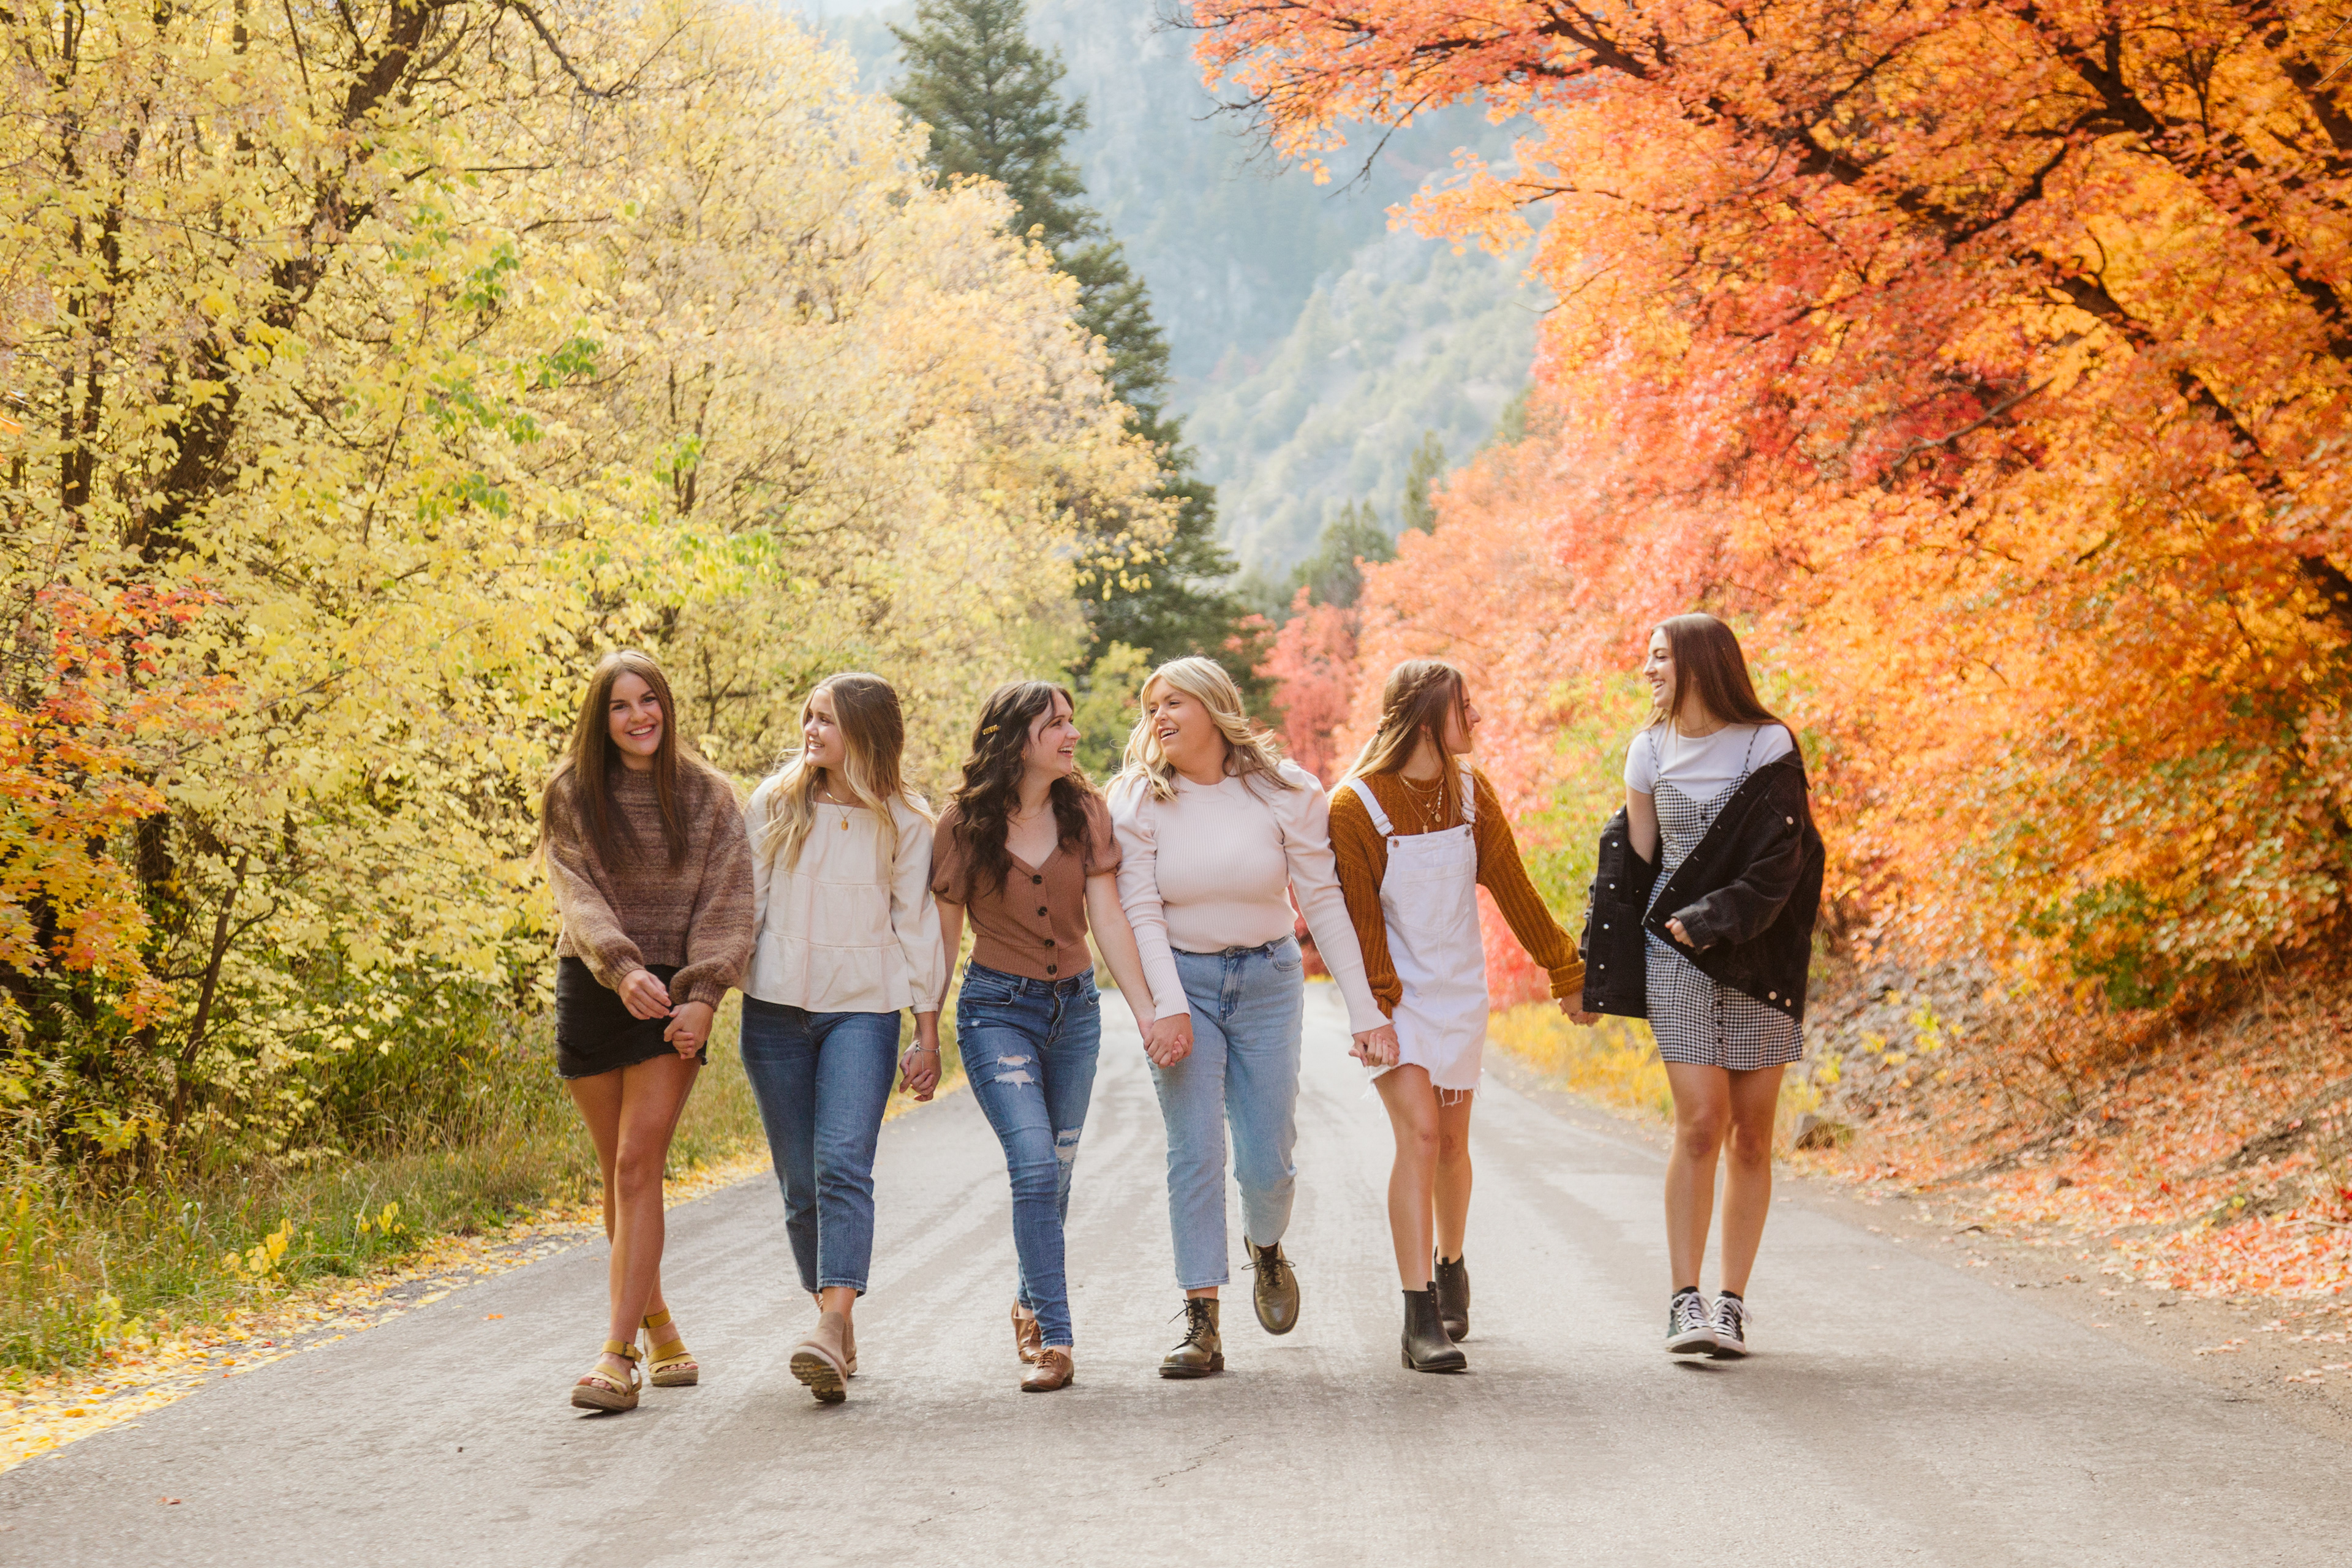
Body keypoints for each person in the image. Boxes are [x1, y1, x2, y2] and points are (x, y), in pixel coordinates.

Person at [1109, 655, 1400, 1379]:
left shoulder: (1285, 791)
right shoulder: (1139, 799)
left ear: (1214, 707)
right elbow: (1140, 909)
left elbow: (1322, 901)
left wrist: (1365, 1011)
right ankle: (1202, 1319)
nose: (1159, 717)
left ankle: (1266, 1246)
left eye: (1174, 702)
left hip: (1269, 980)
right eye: (1152, 707)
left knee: (1268, 1158)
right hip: (1185, 980)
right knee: (1195, 1151)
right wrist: (1167, 1006)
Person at [1577, 614, 1824, 1359]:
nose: (1648, 669)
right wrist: (1592, 967)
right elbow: (1632, 870)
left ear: (1700, 661)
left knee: (1751, 1134)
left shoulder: (1768, 745)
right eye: (1647, 656)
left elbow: (1783, 865)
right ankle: (1684, 1301)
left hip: (1758, 957)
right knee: (1701, 1122)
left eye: (1660, 656)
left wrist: (1716, 917)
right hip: (1676, 956)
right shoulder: (1648, 749)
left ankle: (1732, 1304)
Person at [1329, 659, 1583, 1372]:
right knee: (1420, 1134)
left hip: (1459, 993)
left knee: (1450, 1144)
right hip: (1393, 1000)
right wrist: (1375, 1013)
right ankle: (1418, 1317)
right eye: (1463, 706)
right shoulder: (1354, 806)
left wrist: (1566, 969)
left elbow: (1515, 888)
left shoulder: (1472, 793)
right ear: (1424, 718)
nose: (1476, 717)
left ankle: (1451, 1262)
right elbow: (1356, 922)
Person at [930, 681, 1164, 1393]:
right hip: (996, 1011)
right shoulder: (962, 824)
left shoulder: (1083, 811)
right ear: (1014, 737)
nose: (1072, 734)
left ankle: (1028, 1302)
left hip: (1076, 1013)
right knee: (1034, 1165)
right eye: (1055, 723)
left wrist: (1148, 1012)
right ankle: (1055, 1341)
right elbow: (941, 940)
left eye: (1071, 720)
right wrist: (923, 1031)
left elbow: (1109, 919)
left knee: (1056, 1171)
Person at [540, 650, 754, 1413]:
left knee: (638, 1164)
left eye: (650, 699)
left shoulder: (709, 797)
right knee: (618, 1173)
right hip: (598, 984)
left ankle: (616, 1355)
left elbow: (730, 902)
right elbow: (577, 896)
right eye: (621, 705)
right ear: (600, 720)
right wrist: (621, 968)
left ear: (667, 705)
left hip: (675, 996)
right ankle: (659, 1324)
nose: (640, 716)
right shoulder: (571, 794)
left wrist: (704, 995)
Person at [739, 672, 945, 1403]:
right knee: (801, 1185)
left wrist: (927, 1029)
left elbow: (916, 924)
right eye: (809, 716)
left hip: (863, 1010)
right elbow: (745, 907)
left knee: (842, 1165)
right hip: (774, 1010)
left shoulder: (907, 821)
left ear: (865, 730)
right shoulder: (775, 802)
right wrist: (705, 993)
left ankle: (831, 1323)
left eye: (826, 719)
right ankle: (835, 1320)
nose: (811, 729)